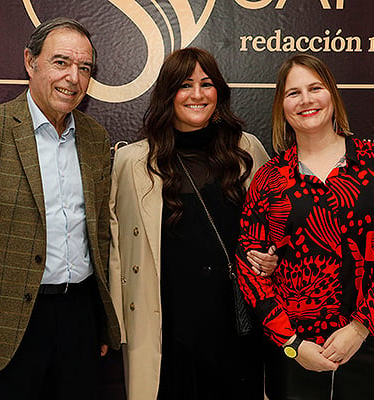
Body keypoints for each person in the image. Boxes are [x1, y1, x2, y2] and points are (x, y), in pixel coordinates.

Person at [0, 17, 120, 400]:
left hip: (79, 319)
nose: (73, 78)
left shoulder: (95, 138)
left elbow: (97, 236)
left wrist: (99, 322)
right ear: (30, 62)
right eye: (61, 62)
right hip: (3, 328)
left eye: (84, 68)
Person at [236, 53, 374, 400]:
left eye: (315, 88)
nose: (306, 100)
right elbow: (249, 266)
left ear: (331, 94)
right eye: (293, 93)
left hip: (366, 340)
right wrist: (290, 343)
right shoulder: (269, 178)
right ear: (282, 106)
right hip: (292, 352)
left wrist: (360, 328)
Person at [108, 47, 276, 399]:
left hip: (237, 327)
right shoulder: (131, 161)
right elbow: (116, 251)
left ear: (219, 92)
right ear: (168, 94)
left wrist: (272, 256)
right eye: (185, 85)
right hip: (165, 331)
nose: (197, 95)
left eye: (206, 83)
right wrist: (116, 328)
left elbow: (276, 228)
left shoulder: (247, 151)